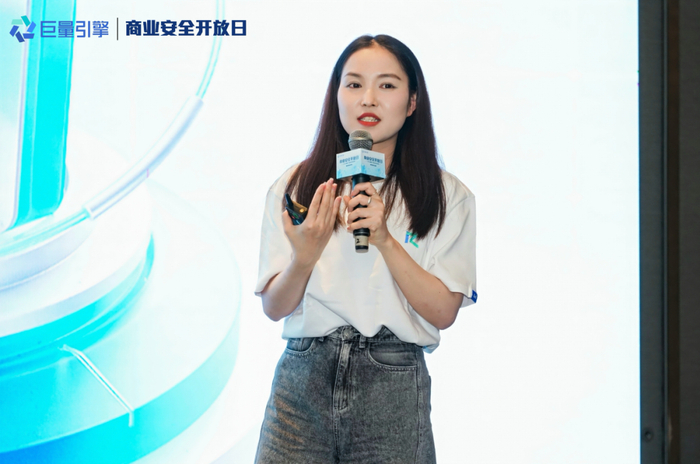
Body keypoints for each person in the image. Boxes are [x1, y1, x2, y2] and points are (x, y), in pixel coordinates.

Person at [254, 34, 477, 464]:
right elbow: (274, 307)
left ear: (412, 102)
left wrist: (385, 240)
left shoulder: (448, 196)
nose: (368, 98)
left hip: (391, 381)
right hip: (303, 381)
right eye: (354, 84)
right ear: (335, 95)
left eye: (387, 85)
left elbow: (443, 312)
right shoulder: (297, 186)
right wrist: (305, 256)